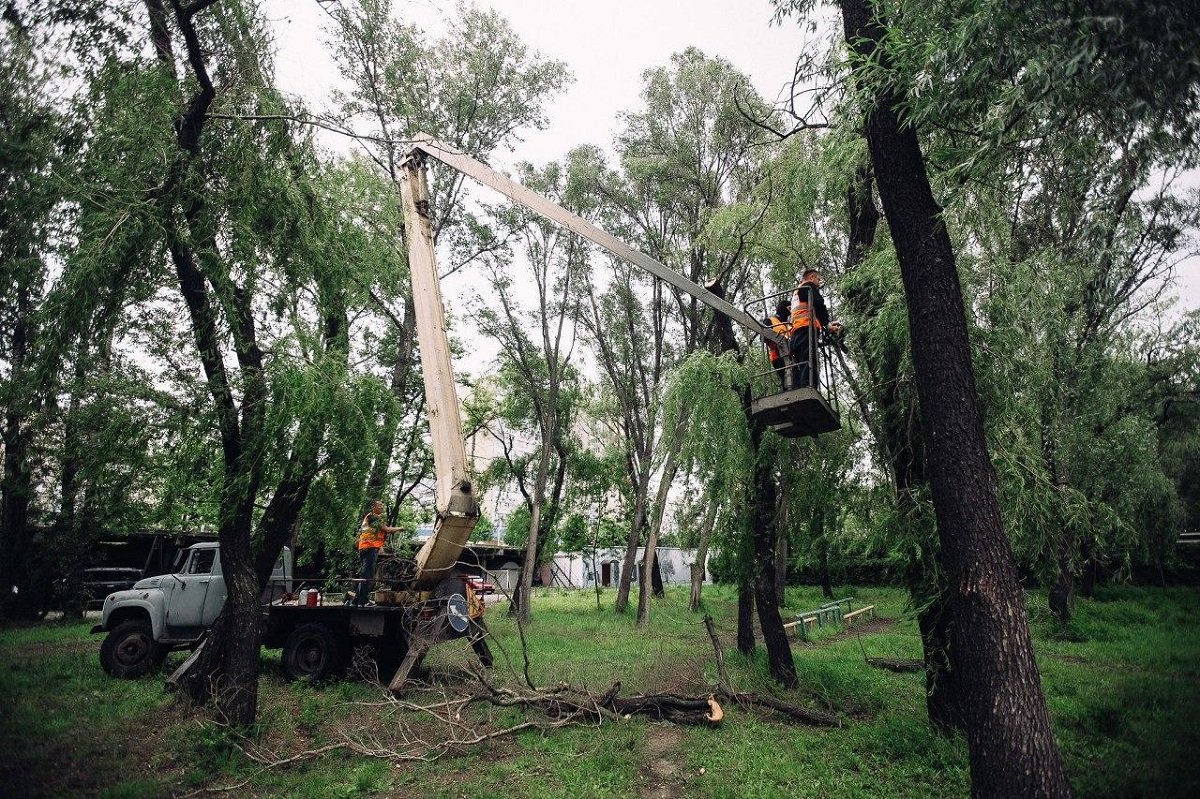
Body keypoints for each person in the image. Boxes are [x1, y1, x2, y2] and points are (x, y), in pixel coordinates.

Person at [789, 269, 843, 390]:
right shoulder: (808, 286)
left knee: (801, 362)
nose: (818, 283)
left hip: (797, 331)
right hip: (806, 329)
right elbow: (819, 304)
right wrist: (827, 323)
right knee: (809, 361)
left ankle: (800, 389)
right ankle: (809, 389)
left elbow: (811, 308)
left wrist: (825, 325)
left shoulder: (796, 292)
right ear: (812, 277)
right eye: (818, 279)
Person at [353, 500, 403, 606]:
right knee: (368, 574)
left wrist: (380, 549)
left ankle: (357, 600)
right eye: (379, 505)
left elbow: (376, 534)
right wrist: (400, 528)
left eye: (382, 505)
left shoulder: (370, 518)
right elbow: (386, 529)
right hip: (369, 547)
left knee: (364, 574)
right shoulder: (373, 517)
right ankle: (363, 601)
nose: (382, 507)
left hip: (366, 547)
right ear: (373, 507)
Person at [762, 299, 792, 389]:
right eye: (789, 308)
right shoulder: (770, 320)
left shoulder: (788, 325)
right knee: (786, 381)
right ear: (783, 309)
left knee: (795, 381)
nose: (790, 311)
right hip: (777, 357)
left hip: (791, 356)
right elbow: (763, 338)